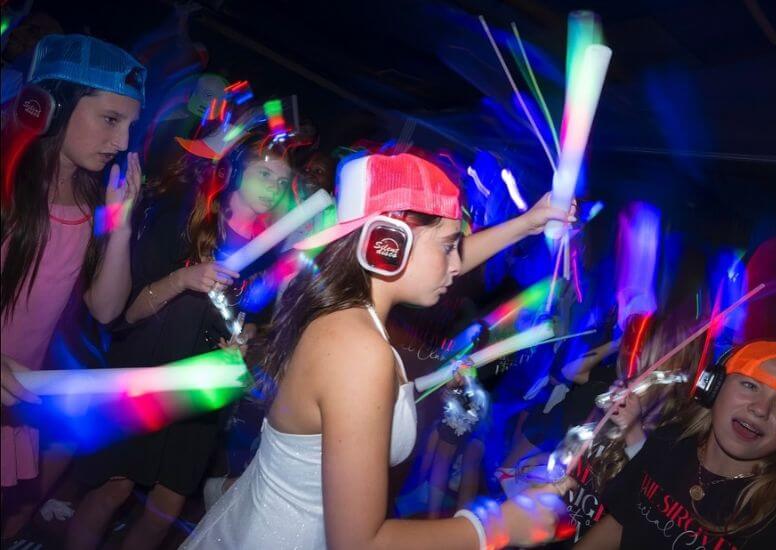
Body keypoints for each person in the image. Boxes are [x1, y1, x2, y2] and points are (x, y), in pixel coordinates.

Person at [182, 152, 575, 549]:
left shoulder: (340, 304)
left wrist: (527, 223)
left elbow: (437, 260)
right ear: (389, 244)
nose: (456, 265)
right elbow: (359, 543)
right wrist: (498, 526)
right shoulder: (358, 351)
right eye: (448, 245)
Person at [68, 118, 300, 550]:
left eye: (282, 180)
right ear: (233, 170)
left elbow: (254, 322)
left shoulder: (270, 252)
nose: (273, 186)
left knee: (166, 508)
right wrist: (184, 279)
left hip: (206, 390)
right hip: (150, 373)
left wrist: (246, 340)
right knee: (113, 490)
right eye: (264, 172)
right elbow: (123, 314)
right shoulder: (185, 221)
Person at [1, 33, 145, 540]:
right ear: (49, 105)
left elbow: (105, 309)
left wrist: (121, 225)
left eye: (130, 125)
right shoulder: (7, 182)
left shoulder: (88, 199)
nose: (123, 143)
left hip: (14, 397)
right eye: (110, 119)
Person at [576, 340, 776, 549]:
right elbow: (619, 523)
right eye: (750, 385)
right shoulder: (669, 440)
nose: (760, 409)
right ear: (713, 386)